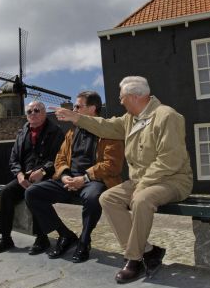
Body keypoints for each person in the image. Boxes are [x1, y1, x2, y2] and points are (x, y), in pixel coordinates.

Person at [52, 76, 193, 283]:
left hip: (172, 179)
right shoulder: (129, 119)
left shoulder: (167, 116)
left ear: (135, 97)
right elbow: (105, 126)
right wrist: (77, 117)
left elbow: (170, 161)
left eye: (122, 97)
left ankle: (133, 259)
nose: (120, 101)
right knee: (108, 198)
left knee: (141, 200)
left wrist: (142, 185)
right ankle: (149, 251)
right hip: (141, 180)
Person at [25, 91, 125, 263]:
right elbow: (60, 158)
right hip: (69, 180)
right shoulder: (73, 132)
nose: (74, 109)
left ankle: (84, 241)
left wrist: (84, 178)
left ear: (92, 109)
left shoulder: (109, 131)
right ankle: (65, 235)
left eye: (78, 106)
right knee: (32, 192)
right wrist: (64, 176)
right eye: (74, 106)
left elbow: (112, 165)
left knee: (93, 197)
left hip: (94, 181)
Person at [0, 101, 65, 256]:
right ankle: (5, 238)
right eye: (29, 111)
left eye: (36, 110)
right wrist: (19, 174)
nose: (33, 114)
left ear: (44, 113)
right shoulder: (22, 133)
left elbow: (58, 159)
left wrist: (43, 171)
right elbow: (14, 159)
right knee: (6, 193)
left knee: (34, 192)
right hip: (25, 177)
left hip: (47, 176)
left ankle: (42, 238)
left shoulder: (56, 132)